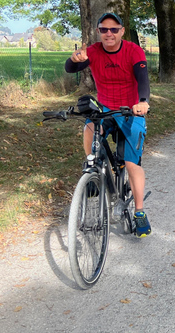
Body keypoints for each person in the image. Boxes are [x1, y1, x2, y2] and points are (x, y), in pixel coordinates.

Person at [64, 13, 152, 238]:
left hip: (130, 110)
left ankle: (140, 212)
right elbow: (70, 69)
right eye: (104, 30)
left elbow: (142, 78)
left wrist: (142, 102)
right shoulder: (93, 51)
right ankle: (91, 168)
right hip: (105, 108)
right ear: (98, 32)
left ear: (122, 31)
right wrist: (74, 60)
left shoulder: (133, 50)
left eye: (114, 29)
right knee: (89, 127)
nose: (109, 34)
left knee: (132, 164)